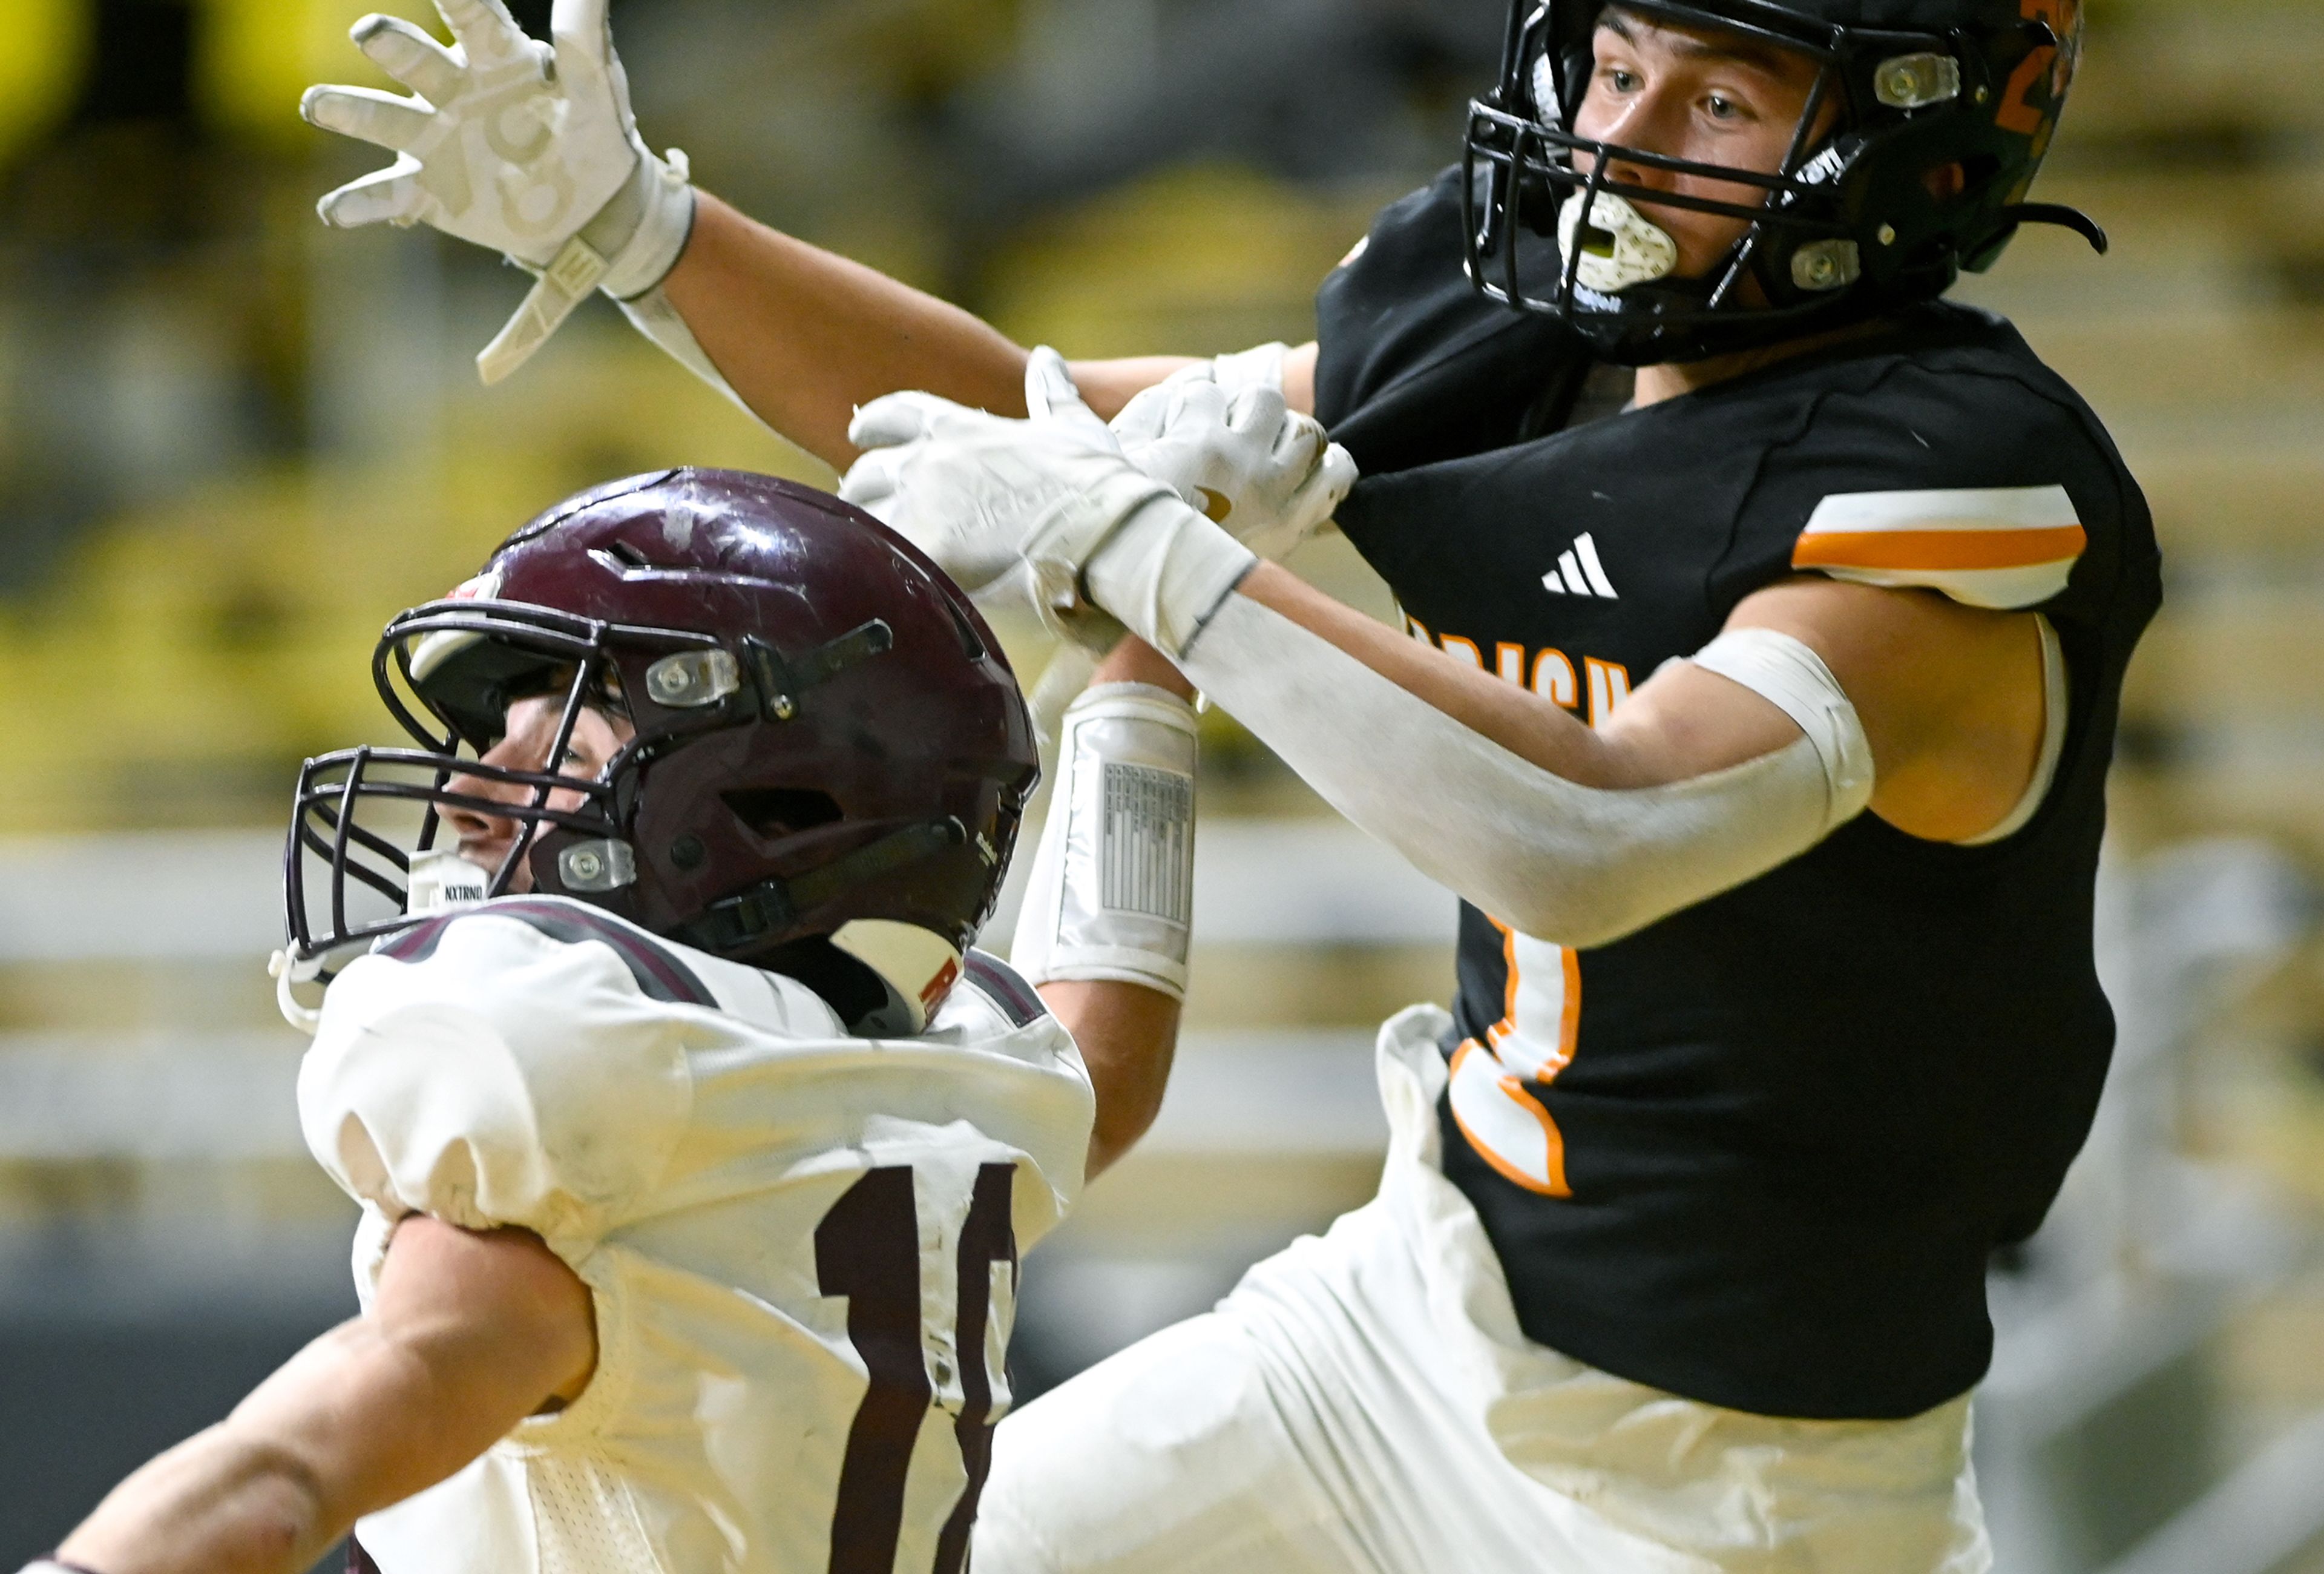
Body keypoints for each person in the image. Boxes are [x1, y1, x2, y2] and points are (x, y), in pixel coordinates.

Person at [294, 0, 2156, 1568]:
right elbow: (1041, 423)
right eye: (1615, 59)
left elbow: (1606, 827)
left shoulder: (1955, 479)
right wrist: (644, 228)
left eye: (1725, 95)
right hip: (1406, 1317)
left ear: (1909, 147)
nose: (1627, 131)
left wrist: (1155, 561)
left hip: (1742, 1493)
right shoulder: (1523, 333)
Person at [16, 459, 1318, 1574]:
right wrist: (1157, 643)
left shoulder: (606, 1100)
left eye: (556, 757)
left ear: (760, 812)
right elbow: (1106, 1056)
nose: (470, 805)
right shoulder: (939, 1078)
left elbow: (288, 1475)